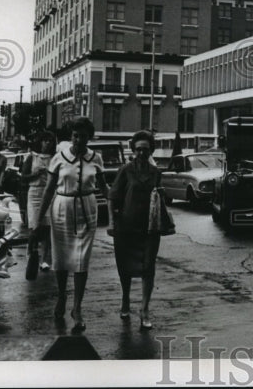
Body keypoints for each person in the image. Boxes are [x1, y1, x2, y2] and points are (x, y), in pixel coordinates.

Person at [31, 116, 108, 332]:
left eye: (83, 136)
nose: (78, 140)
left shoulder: (97, 159)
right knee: (62, 258)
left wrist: (119, 204)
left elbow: (105, 189)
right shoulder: (59, 158)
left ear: (89, 138)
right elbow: (48, 190)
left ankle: (77, 308)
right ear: (71, 136)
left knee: (82, 260)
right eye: (75, 135)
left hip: (87, 209)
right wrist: (38, 219)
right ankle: (62, 297)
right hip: (62, 208)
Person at [109, 130, 163, 329]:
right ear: (133, 150)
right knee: (125, 267)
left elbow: (158, 198)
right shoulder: (125, 170)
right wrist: (112, 223)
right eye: (138, 149)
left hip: (150, 227)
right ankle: (125, 300)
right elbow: (113, 197)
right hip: (126, 225)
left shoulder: (156, 172)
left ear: (150, 151)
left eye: (145, 150)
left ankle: (144, 309)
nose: (141, 153)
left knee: (148, 267)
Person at [22, 130, 56, 271]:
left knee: (48, 228)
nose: (47, 143)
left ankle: (44, 259)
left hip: (49, 193)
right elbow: (23, 177)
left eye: (50, 141)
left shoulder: (54, 158)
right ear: (40, 141)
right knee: (35, 228)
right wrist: (35, 174)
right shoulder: (31, 157)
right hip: (35, 192)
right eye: (45, 140)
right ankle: (31, 253)